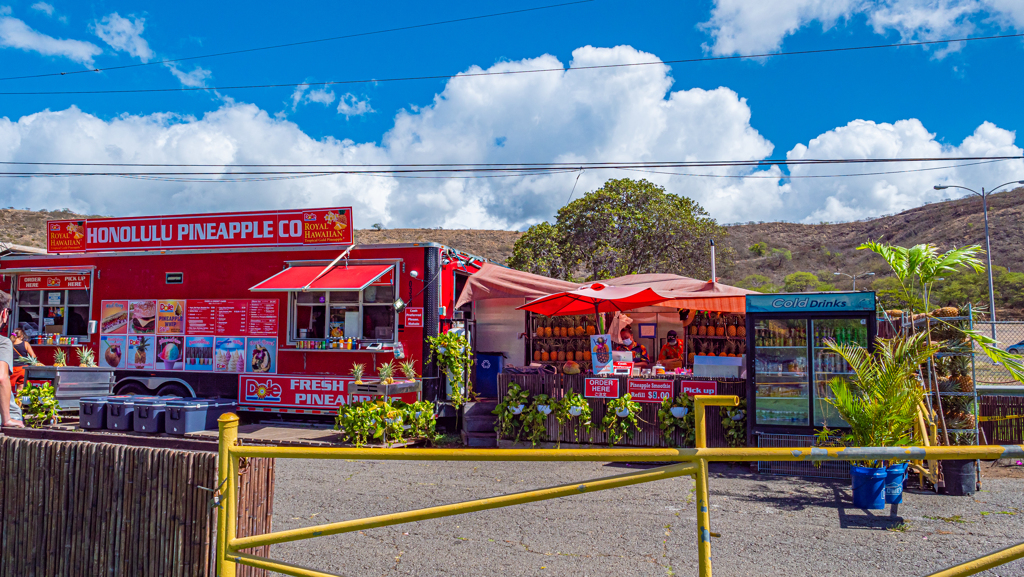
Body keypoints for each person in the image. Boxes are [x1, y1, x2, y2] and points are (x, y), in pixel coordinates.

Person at [1, 291, 25, 429]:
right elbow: (2, 378)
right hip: (4, 416)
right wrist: (7, 419)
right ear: (4, 314)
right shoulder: (3, 342)